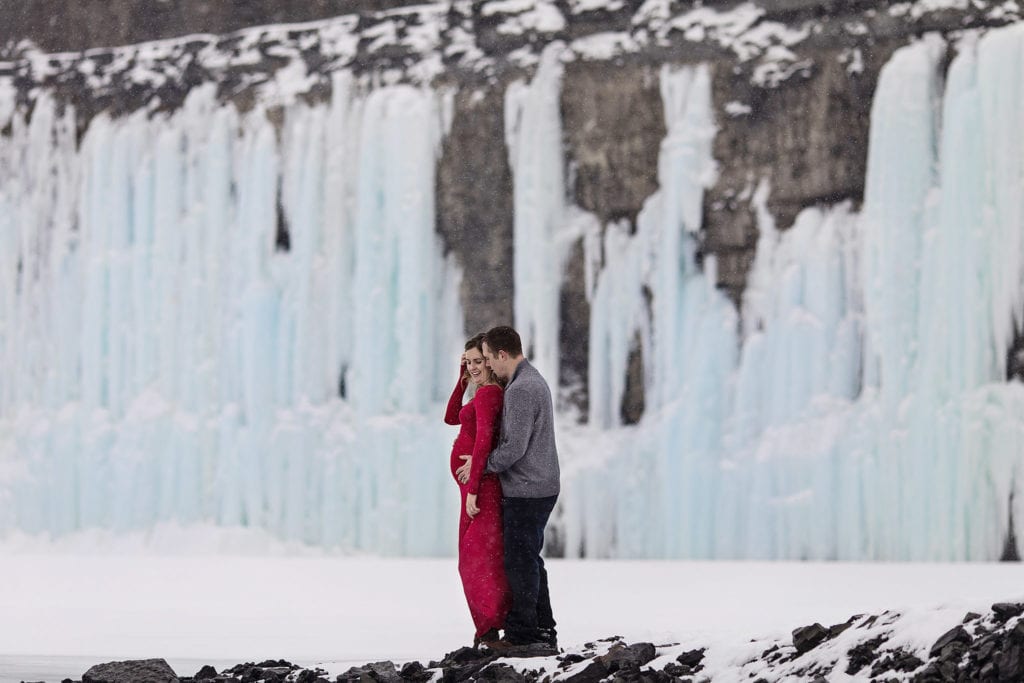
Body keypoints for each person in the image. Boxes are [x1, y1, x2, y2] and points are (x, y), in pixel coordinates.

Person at [456, 325, 560, 652]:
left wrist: (479, 464)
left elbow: (514, 448)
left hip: (528, 488)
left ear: (502, 355)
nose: (487, 365)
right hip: (537, 485)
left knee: (519, 562)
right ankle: (543, 629)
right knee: (529, 559)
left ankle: (525, 634)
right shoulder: (529, 380)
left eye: (488, 358)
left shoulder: (520, 390)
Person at [444, 333, 511, 647]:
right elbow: (450, 417)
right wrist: (461, 380)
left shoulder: (488, 395)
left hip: (480, 489)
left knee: (477, 560)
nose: (472, 367)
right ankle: (487, 628)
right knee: (478, 558)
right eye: (467, 362)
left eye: (477, 361)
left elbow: (484, 438)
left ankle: (489, 628)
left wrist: (473, 487)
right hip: (472, 487)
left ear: (490, 361)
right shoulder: (480, 392)